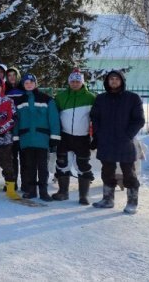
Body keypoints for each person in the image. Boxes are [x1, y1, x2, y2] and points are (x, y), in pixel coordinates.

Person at [90, 70, 145, 214]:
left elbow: (139, 120)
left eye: (116, 79)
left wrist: (128, 135)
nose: (113, 81)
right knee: (107, 171)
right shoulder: (101, 99)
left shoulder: (132, 98)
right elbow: (94, 117)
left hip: (125, 142)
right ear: (107, 82)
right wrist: (99, 134)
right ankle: (108, 199)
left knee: (129, 172)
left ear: (122, 81)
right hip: (106, 141)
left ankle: (132, 202)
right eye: (111, 79)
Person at [13, 74, 61, 201]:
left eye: (31, 82)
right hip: (26, 139)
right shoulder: (19, 101)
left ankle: (44, 191)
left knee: (43, 167)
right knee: (29, 166)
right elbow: (16, 121)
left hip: (42, 139)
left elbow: (53, 118)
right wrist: (16, 137)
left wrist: (54, 136)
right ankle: (32, 191)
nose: (28, 84)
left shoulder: (46, 99)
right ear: (23, 85)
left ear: (35, 83)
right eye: (26, 83)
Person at [53, 69, 96, 205]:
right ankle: (63, 192)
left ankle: (84, 195)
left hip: (82, 137)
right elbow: (54, 116)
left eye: (78, 81)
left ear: (82, 82)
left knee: (83, 164)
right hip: (65, 136)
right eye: (72, 81)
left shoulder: (91, 97)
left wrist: (95, 136)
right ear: (69, 82)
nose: (75, 83)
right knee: (62, 163)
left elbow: (97, 119)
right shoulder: (61, 97)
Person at [4, 66, 25, 189]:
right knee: (11, 157)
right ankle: (12, 182)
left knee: (24, 157)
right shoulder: (5, 91)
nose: (12, 78)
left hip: (22, 128)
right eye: (9, 75)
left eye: (14, 75)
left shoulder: (24, 90)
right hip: (9, 128)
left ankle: (25, 183)